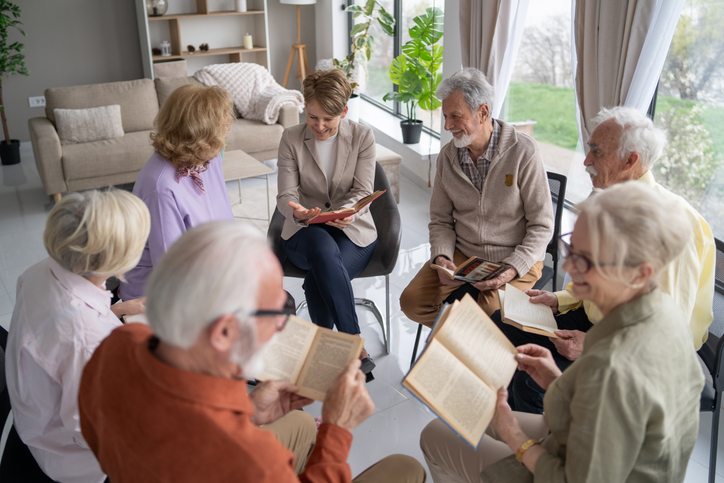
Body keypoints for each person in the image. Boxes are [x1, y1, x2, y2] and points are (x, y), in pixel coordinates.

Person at [78, 222, 425, 483]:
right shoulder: (253, 461)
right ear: (225, 331)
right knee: (406, 469)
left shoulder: (115, 347)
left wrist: (249, 410)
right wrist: (338, 430)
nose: (281, 326)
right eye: (276, 313)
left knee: (301, 424)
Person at [420, 182, 704, 483]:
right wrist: (555, 379)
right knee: (478, 417)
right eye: (571, 247)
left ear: (640, 272)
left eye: (585, 258)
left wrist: (515, 437)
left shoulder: (612, 365)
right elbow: (606, 415)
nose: (568, 265)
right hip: (610, 452)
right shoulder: (663, 311)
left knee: (435, 434)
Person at [494, 106, 716, 414]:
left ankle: (551, 454)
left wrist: (593, 345)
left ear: (630, 160)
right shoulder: (605, 198)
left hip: (641, 347)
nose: (586, 161)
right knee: (498, 323)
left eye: (597, 152)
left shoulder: (673, 225)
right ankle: (514, 423)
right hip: (596, 319)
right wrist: (558, 299)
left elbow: (668, 330)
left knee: (530, 384)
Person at [5, 190, 150, 483]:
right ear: (117, 260)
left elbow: (63, 331)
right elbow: (95, 430)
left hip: (36, 418)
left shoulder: (41, 271)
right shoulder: (85, 340)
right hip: (77, 462)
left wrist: (117, 310)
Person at [400, 67, 554, 326]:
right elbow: (440, 220)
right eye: (445, 116)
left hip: (514, 256)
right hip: (465, 255)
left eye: (455, 116)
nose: (447, 125)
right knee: (412, 302)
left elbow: (542, 225)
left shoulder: (524, 151)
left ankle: (467, 348)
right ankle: (463, 343)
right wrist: (441, 256)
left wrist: (513, 267)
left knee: (488, 315)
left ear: (483, 112)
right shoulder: (448, 157)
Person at [276, 69, 378, 376]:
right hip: (303, 230)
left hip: (352, 231)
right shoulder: (291, 138)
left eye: (328, 119)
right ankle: (353, 342)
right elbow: (285, 194)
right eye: (312, 117)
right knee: (321, 247)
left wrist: (348, 211)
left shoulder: (362, 137)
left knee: (318, 280)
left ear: (343, 111)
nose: (319, 126)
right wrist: (296, 210)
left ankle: (330, 351)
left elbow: (362, 190)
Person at [119, 83, 235, 301]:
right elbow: (172, 272)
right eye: (222, 125)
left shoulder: (209, 159)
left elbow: (222, 221)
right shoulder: (161, 188)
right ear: (198, 133)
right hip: (164, 298)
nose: (227, 129)